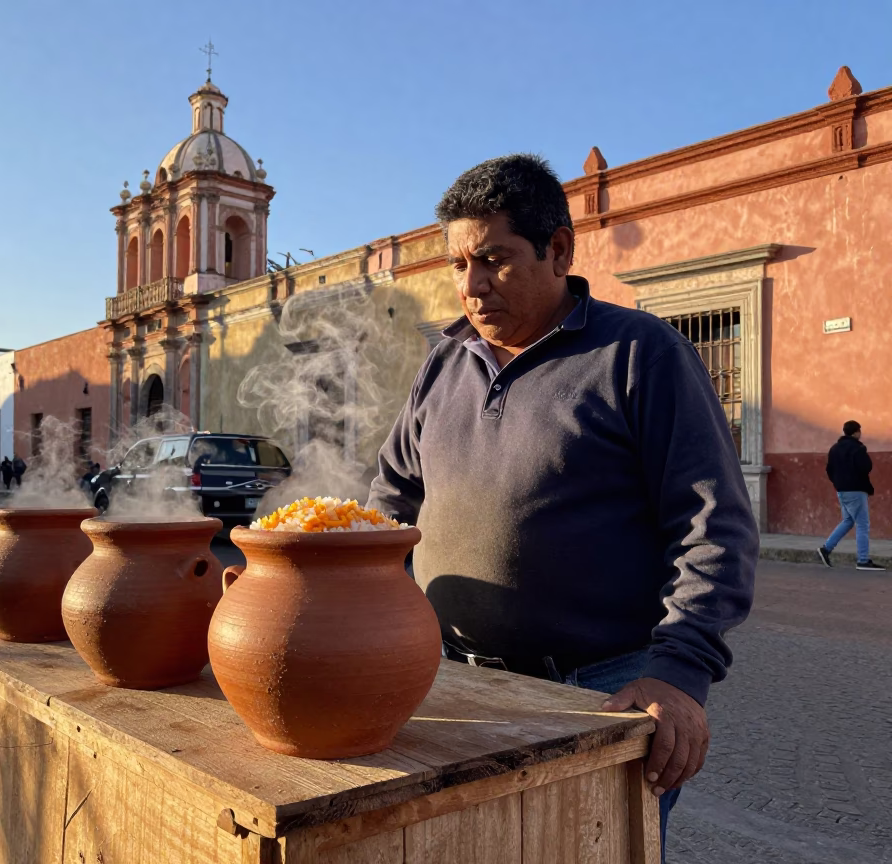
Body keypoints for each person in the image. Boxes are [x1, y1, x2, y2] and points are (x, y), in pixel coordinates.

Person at [367, 155, 758, 858]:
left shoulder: (640, 354)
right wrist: (342, 591)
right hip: (454, 683)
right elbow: (392, 495)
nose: (472, 285)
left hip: (599, 694)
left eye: (494, 259)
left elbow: (713, 525)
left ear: (558, 251)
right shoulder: (444, 364)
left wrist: (679, 672)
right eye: (458, 265)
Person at [819, 420, 885, 571]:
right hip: (856, 490)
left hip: (842, 490)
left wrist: (838, 482)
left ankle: (826, 549)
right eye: (859, 431)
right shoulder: (858, 448)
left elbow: (829, 470)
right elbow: (867, 467)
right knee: (863, 524)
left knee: (848, 520)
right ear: (856, 432)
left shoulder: (834, 449)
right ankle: (863, 560)